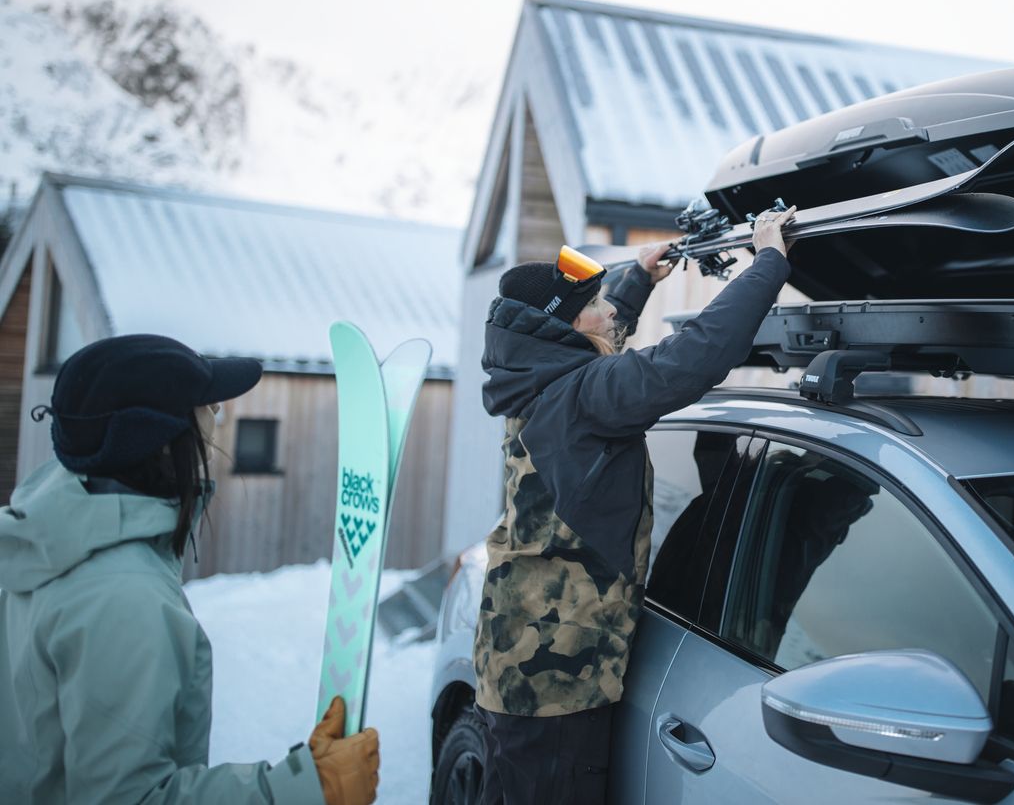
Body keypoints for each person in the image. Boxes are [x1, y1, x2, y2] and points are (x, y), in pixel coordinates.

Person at [474, 206, 797, 805]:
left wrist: (638, 279)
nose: (606, 313)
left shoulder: (533, 376)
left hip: (519, 651)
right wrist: (768, 264)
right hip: (556, 674)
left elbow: (591, 335)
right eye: (593, 304)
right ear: (564, 327)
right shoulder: (583, 395)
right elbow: (689, 359)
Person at [0, 334, 381, 805]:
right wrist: (304, 789)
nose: (218, 413)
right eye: (205, 404)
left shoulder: (42, 539)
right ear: (159, 438)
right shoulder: (123, 596)